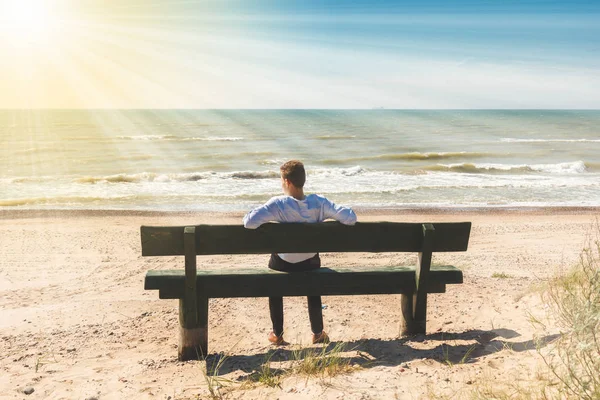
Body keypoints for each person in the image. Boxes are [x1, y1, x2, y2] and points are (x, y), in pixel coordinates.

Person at [243, 160, 357, 345]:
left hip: (283, 266)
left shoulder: (278, 204)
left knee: (274, 272)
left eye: (281, 180)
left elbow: (249, 222)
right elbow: (350, 218)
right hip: (309, 264)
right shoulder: (319, 203)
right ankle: (318, 332)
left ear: (287, 182)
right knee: (313, 276)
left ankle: (277, 334)